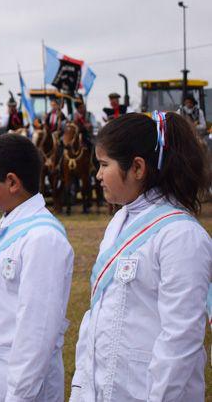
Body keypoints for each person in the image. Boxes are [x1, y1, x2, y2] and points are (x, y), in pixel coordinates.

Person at [71, 112, 211, 401]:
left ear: (137, 167)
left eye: (105, 164)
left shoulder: (181, 235)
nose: (97, 175)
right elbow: (95, 316)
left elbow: (180, 340)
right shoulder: (118, 222)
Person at [0, 134, 72, 401]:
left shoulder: (43, 239)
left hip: (16, 384)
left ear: (12, 182)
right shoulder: (4, 225)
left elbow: (37, 330)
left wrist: (19, 395)